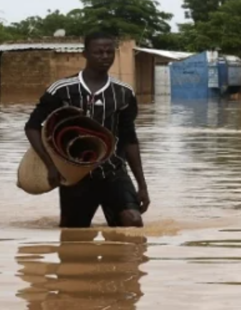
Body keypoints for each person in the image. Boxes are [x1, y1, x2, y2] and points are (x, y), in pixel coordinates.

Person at [25, 32, 149, 228]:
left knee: (133, 221)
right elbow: (32, 127)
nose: (104, 56)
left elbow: (130, 139)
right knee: (72, 235)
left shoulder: (124, 93)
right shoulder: (62, 89)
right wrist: (50, 165)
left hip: (113, 172)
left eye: (109, 52)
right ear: (85, 54)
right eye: (98, 52)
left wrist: (142, 185)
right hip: (75, 176)